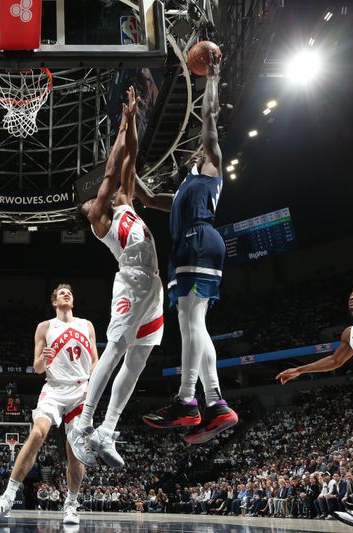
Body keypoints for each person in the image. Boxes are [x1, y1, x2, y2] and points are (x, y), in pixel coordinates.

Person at [138, 51, 238, 443]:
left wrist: (211, 77)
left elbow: (209, 118)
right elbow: (145, 197)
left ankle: (186, 400)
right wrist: (124, 135)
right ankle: (215, 404)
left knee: (190, 322)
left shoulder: (211, 165)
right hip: (189, 247)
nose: (193, 152)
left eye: (194, 150)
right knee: (196, 326)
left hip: (199, 239)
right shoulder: (182, 189)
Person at [67, 86, 164, 468]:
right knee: (116, 347)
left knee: (139, 358)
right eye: (90, 200)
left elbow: (130, 158)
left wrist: (132, 119)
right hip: (132, 280)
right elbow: (110, 169)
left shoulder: (124, 201)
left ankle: (107, 429)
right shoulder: (99, 222)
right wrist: (122, 124)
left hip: (153, 285)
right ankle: (83, 424)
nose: (95, 197)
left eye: (94, 197)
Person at [277, 285, 353, 530]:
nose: (352, 298)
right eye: (350, 295)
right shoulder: (350, 333)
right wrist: (300, 369)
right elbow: (335, 360)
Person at [0, 284, 99, 525]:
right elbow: (37, 368)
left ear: (73, 301)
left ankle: (71, 504)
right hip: (54, 388)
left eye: (69, 292)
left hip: (80, 390)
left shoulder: (86, 324)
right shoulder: (45, 327)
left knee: (73, 448)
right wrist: (44, 359)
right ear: (54, 302)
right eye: (61, 293)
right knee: (37, 433)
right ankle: (7, 497)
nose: (66, 294)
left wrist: (92, 387)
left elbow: (95, 362)